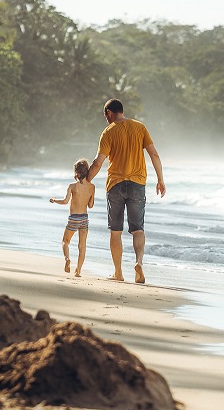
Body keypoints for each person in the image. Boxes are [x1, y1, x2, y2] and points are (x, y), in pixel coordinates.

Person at [86, 98, 166, 284]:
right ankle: (138, 263)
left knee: (116, 231)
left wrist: (86, 180)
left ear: (109, 113)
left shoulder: (108, 132)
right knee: (138, 229)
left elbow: (98, 162)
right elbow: (154, 154)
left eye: (106, 115)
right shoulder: (140, 127)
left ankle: (118, 273)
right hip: (137, 184)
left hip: (115, 185)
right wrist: (160, 179)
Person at [49, 158, 96, 277]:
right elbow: (90, 205)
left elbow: (65, 201)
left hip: (74, 218)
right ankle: (78, 271)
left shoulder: (72, 186)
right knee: (82, 246)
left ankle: (67, 259)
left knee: (65, 241)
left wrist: (54, 200)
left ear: (76, 173)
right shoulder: (92, 187)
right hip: (84, 218)